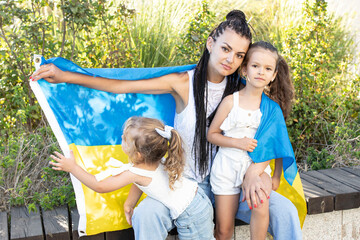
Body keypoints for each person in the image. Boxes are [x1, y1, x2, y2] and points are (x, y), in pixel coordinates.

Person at [32, 10, 302, 240]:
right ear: (210, 44)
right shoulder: (182, 82)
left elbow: (269, 133)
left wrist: (259, 171)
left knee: (284, 210)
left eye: (240, 55)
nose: (230, 59)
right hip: (179, 184)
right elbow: (121, 86)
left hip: (231, 182)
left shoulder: (244, 90)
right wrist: (66, 76)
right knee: (146, 214)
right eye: (225, 49)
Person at [49, 116, 215, 240]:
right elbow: (139, 183)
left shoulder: (137, 171)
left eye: (125, 139)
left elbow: (99, 186)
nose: (121, 139)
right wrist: (129, 205)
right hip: (197, 199)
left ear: (138, 154)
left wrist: (73, 168)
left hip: (193, 214)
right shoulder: (153, 160)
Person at [207, 41, 294, 240]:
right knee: (223, 230)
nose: (261, 72)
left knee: (261, 206)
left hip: (257, 167)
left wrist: (276, 177)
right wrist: (238, 143)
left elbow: (279, 144)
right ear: (245, 69)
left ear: (273, 76)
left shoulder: (272, 109)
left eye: (267, 69)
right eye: (255, 66)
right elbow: (212, 134)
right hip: (227, 168)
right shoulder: (231, 102)